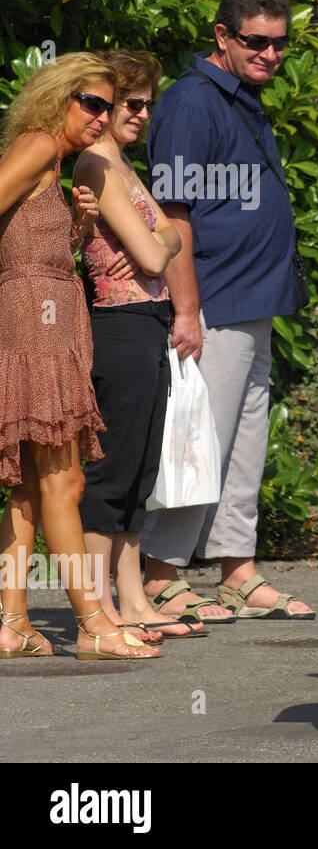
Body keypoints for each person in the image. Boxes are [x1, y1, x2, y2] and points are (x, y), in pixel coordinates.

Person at [140, 0, 315, 621]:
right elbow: (173, 216)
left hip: (254, 299)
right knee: (197, 440)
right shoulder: (192, 102)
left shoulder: (243, 96)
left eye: (279, 43)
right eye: (255, 42)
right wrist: (187, 310)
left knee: (243, 444)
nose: (270, 54)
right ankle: (160, 575)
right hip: (212, 300)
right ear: (223, 37)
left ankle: (236, 572)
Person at [0, 52, 159, 659]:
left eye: (107, 105)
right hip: (36, 324)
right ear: (57, 97)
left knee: (29, 487)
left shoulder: (58, 164)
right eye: (90, 102)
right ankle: (95, 623)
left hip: (46, 318)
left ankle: (13, 622)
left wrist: (77, 223)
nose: (102, 116)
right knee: (64, 482)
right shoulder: (39, 143)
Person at [75, 49, 201, 642]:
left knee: (140, 472)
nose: (143, 113)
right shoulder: (95, 166)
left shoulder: (123, 167)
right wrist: (164, 237)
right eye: (133, 103)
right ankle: (96, 611)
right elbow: (156, 252)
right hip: (118, 326)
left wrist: (164, 236)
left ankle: (132, 602)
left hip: (145, 320)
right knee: (110, 473)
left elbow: (167, 237)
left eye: (148, 103)